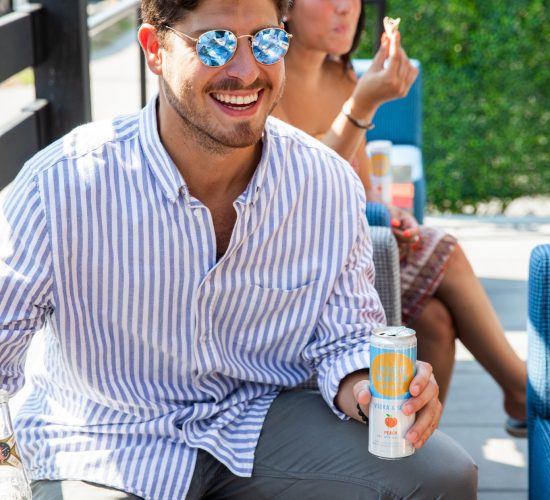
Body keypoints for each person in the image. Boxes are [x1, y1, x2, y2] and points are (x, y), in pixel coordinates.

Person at [0, 0, 477, 498]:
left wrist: (369, 390)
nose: (247, 72)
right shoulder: (61, 184)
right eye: (216, 43)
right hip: (99, 438)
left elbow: (347, 337)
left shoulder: (325, 182)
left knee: (444, 473)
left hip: (254, 421)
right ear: (153, 49)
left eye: (267, 41)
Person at [273, 0, 527, 434]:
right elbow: (302, 196)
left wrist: (387, 213)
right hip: (303, 258)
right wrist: (362, 105)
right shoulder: (268, 79)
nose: (344, 8)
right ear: (285, 9)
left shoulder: (342, 75)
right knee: (445, 249)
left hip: (359, 242)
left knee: (434, 320)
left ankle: (412, 444)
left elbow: (362, 178)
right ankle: (522, 391)